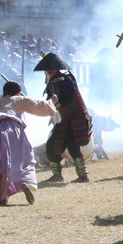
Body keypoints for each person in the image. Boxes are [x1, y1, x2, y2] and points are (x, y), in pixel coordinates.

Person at [0, 81, 57, 205]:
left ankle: (3, 196)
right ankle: (24, 180)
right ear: (17, 92)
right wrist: (52, 101)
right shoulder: (20, 99)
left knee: (1, 162)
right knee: (23, 156)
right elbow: (40, 106)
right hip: (13, 128)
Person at [34, 52, 93, 183]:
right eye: (47, 69)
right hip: (66, 119)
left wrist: (55, 104)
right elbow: (51, 99)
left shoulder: (66, 79)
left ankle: (83, 175)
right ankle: (57, 174)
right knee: (52, 144)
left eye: (51, 68)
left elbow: (67, 97)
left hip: (76, 117)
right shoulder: (51, 82)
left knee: (73, 146)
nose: (49, 71)